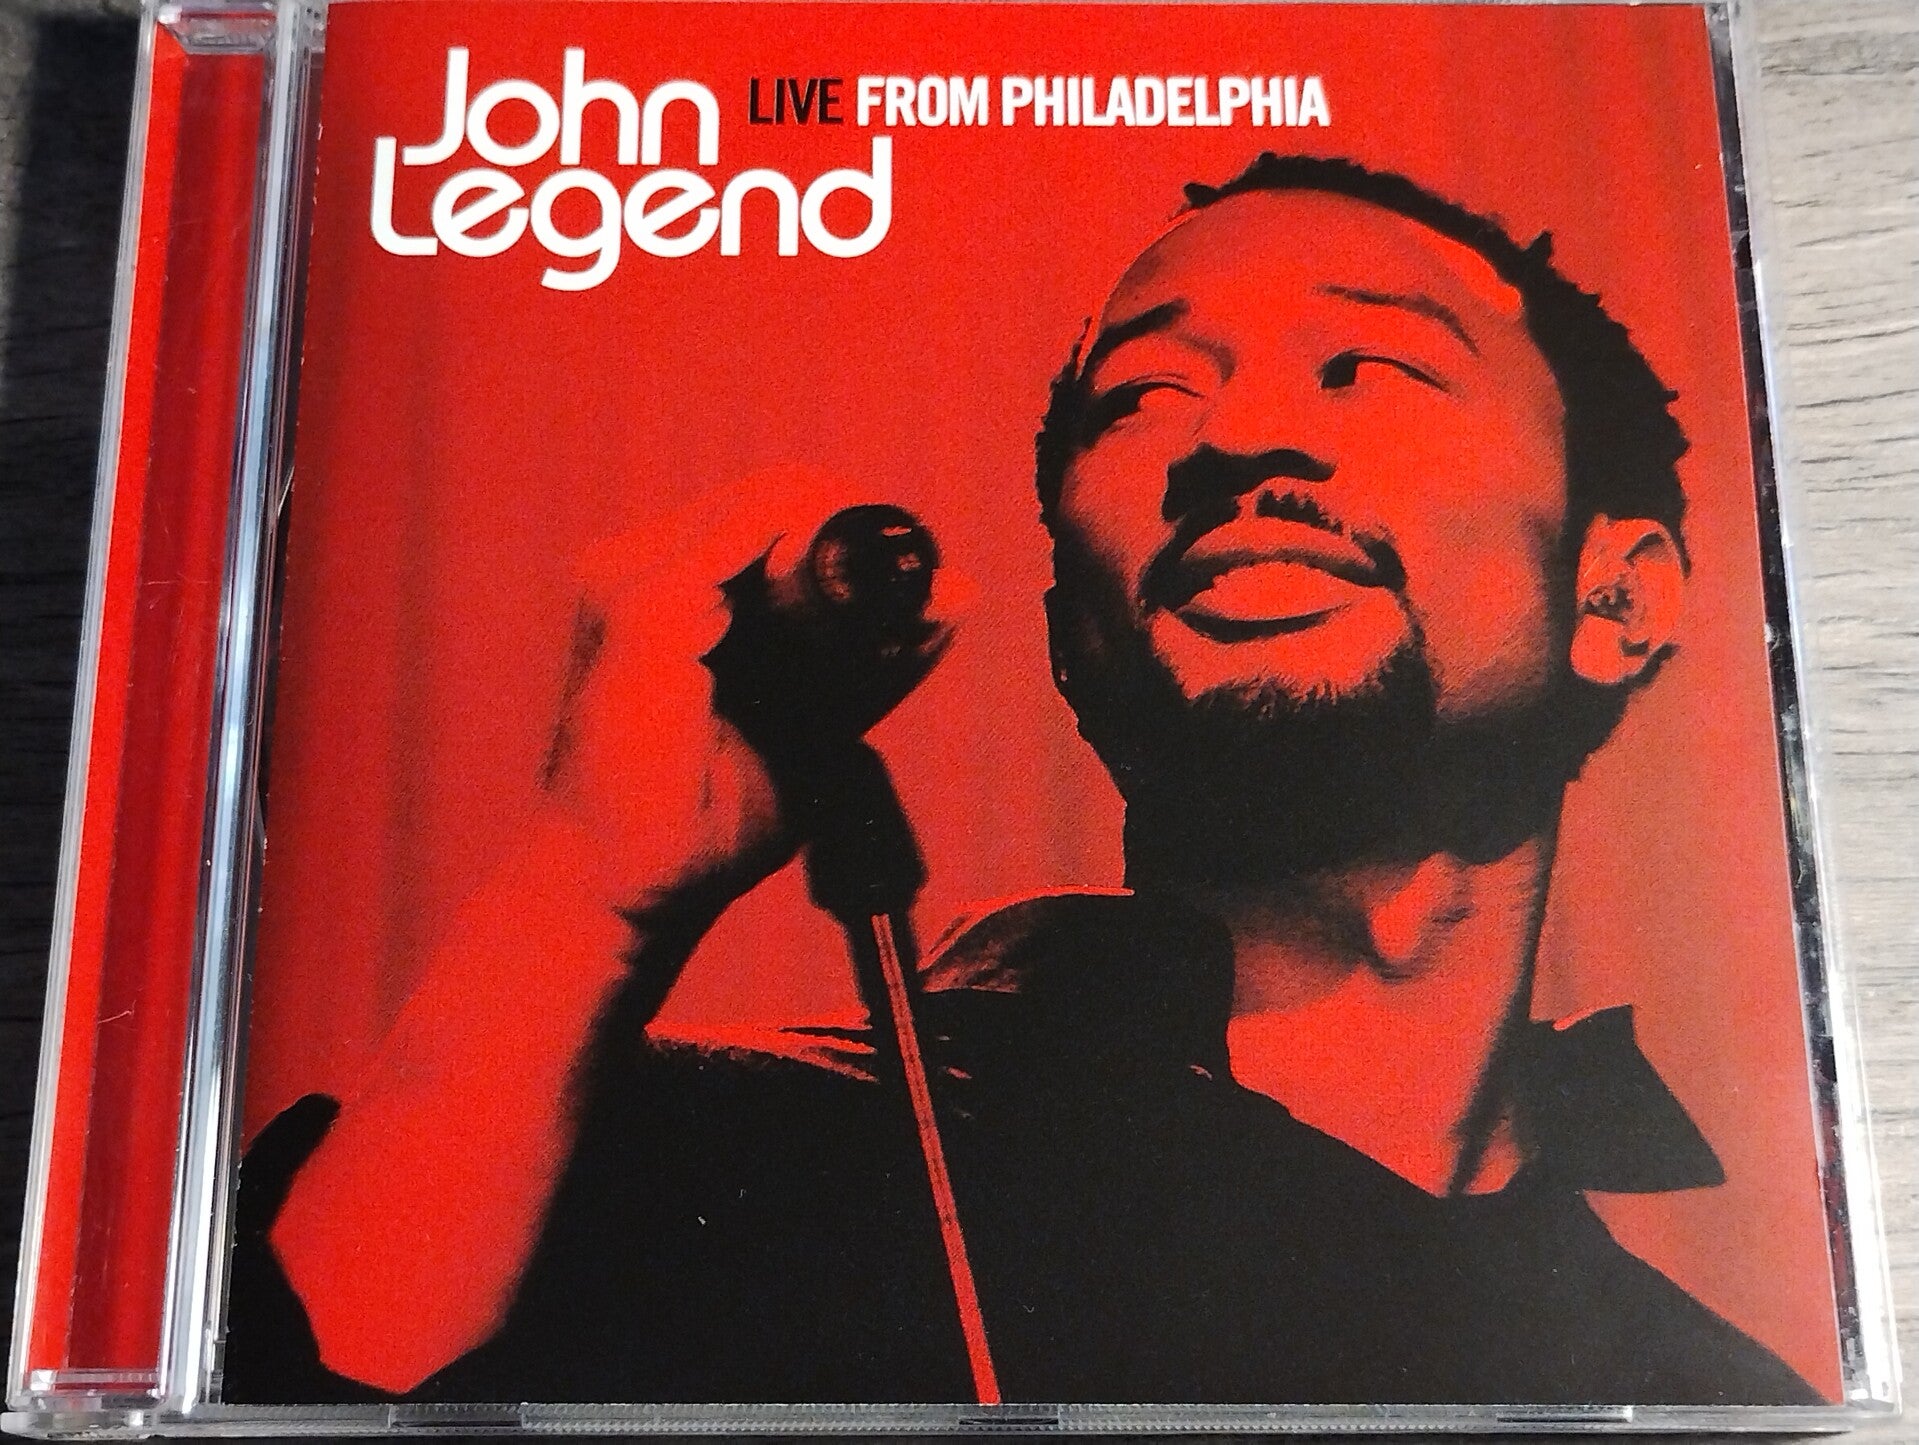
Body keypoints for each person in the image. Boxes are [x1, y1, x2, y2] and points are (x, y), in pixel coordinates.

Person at [225, 155, 1820, 1408]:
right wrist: (588, 896)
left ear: (1619, 595)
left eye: (1370, 369)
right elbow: (298, 1378)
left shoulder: (1706, 1392)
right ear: (1073, 634)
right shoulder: (702, 1145)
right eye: (1150, 397)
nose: (1237, 437)